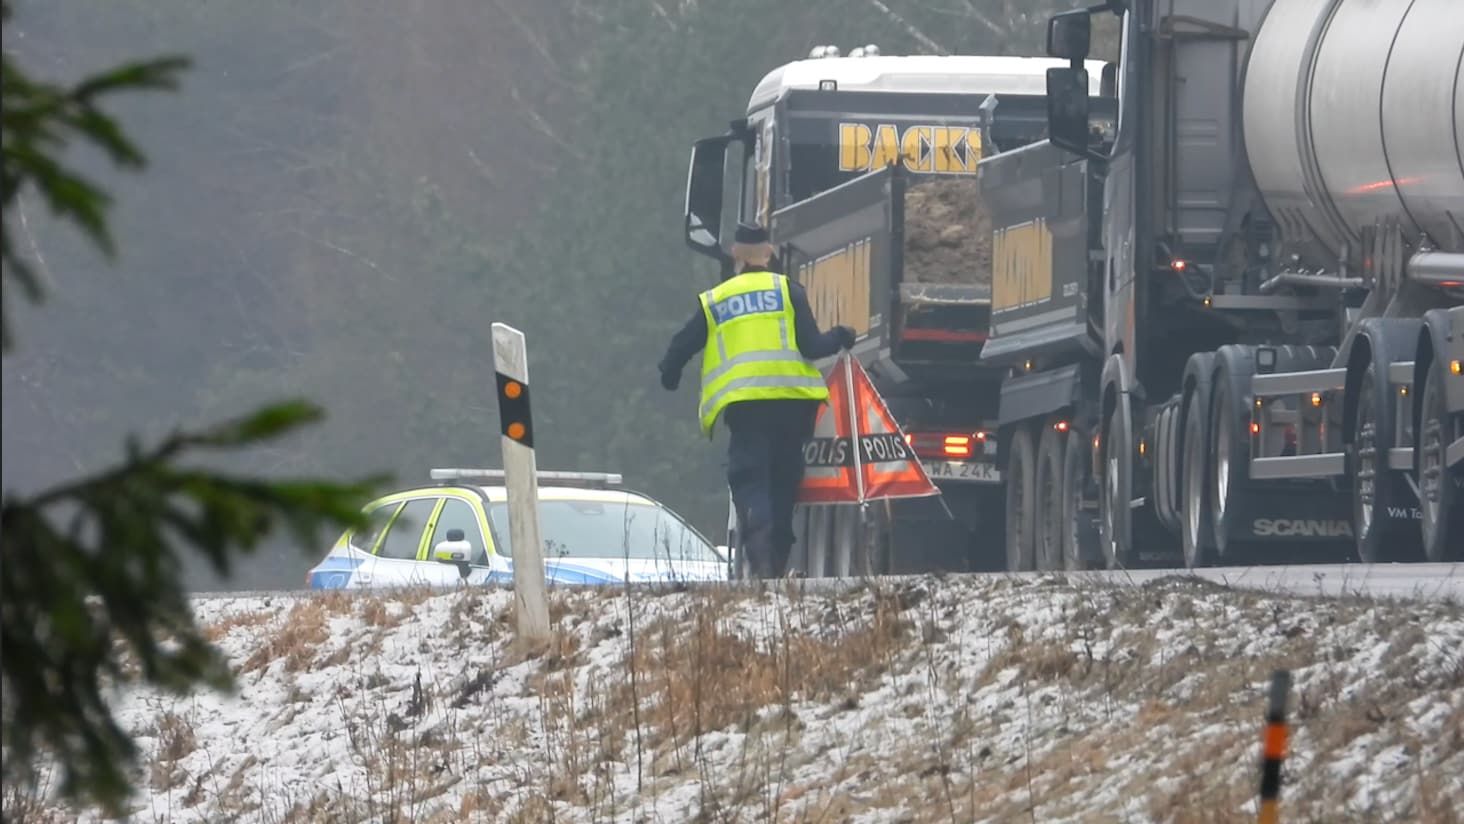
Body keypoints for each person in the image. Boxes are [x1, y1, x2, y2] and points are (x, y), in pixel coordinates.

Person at [658, 223, 856, 578]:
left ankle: (761, 561)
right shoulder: (788, 292)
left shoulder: (717, 300)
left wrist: (669, 374)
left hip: (747, 407)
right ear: (770, 252)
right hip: (793, 407)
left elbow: (682, 344)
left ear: (736, 253)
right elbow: (812, 347)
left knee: (752, 481)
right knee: (783, 481)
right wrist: (841, 335)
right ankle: (776, 564)